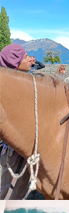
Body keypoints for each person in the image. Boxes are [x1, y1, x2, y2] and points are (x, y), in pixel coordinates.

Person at [0, 44, 44, 199]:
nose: (30, 60)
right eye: (26, 57)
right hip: (15, 151)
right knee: (12, 192)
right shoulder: (15, 88)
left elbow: (38, 66)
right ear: (15, 63)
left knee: (11, 188)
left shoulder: (12, 80)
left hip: (13, 150)